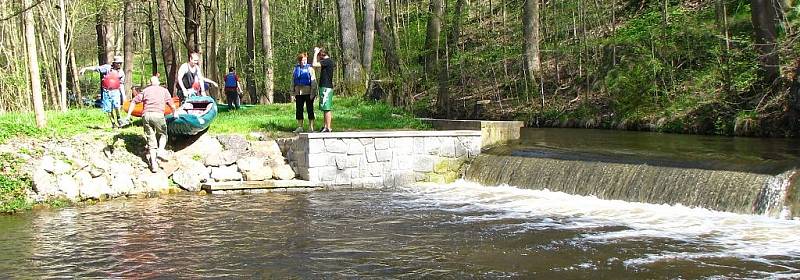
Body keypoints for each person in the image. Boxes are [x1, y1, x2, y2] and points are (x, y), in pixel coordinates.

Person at [124, 76, 179, 172]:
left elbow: (133, 101)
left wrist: (128, 116)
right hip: (158, 115)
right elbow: (171, 104)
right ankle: (161, 150)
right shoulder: (164, 90)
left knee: (151, 140)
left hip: (146, 116)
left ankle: (154, 164)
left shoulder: (145, 91)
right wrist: (175, 113)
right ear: (158, 82)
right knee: (163, 134)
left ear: (150, 83)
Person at [79, 55, 126, 129]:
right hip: (106, 91)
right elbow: (96, 68)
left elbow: (121, 84)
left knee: (117, 106)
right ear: (114, 63)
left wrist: (123, 96)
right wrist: (86, 68)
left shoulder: (121, 73)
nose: (119, 64)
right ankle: (113, 123)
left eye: (120, 63)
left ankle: (119, 119)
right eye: (118, 63)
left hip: (115, 91)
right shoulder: (107, 68)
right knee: (108, 109)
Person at [292, 53, 316, 133]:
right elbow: (293, 81)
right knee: (299, 109)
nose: (304, 62)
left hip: (308, 91)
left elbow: (313, 81)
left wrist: (313, 92)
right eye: (302, 60)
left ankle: (311, 127)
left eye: (305, 60)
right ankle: (300, 126)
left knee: (310, 109)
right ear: (299, 61)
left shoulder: (310, 69)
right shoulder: (296, 69)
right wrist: (292, 92)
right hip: (298, 92)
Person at [312, 47, 335, 132]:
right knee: (324, 107)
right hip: (324, 86)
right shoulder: (327, 62)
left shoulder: (327, 61)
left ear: (321, 55)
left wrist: (315, 53)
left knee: (327, 108)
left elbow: (314, 64)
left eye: (319, 55)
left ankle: (328, 127)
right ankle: (325, 126)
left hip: (326, 87)